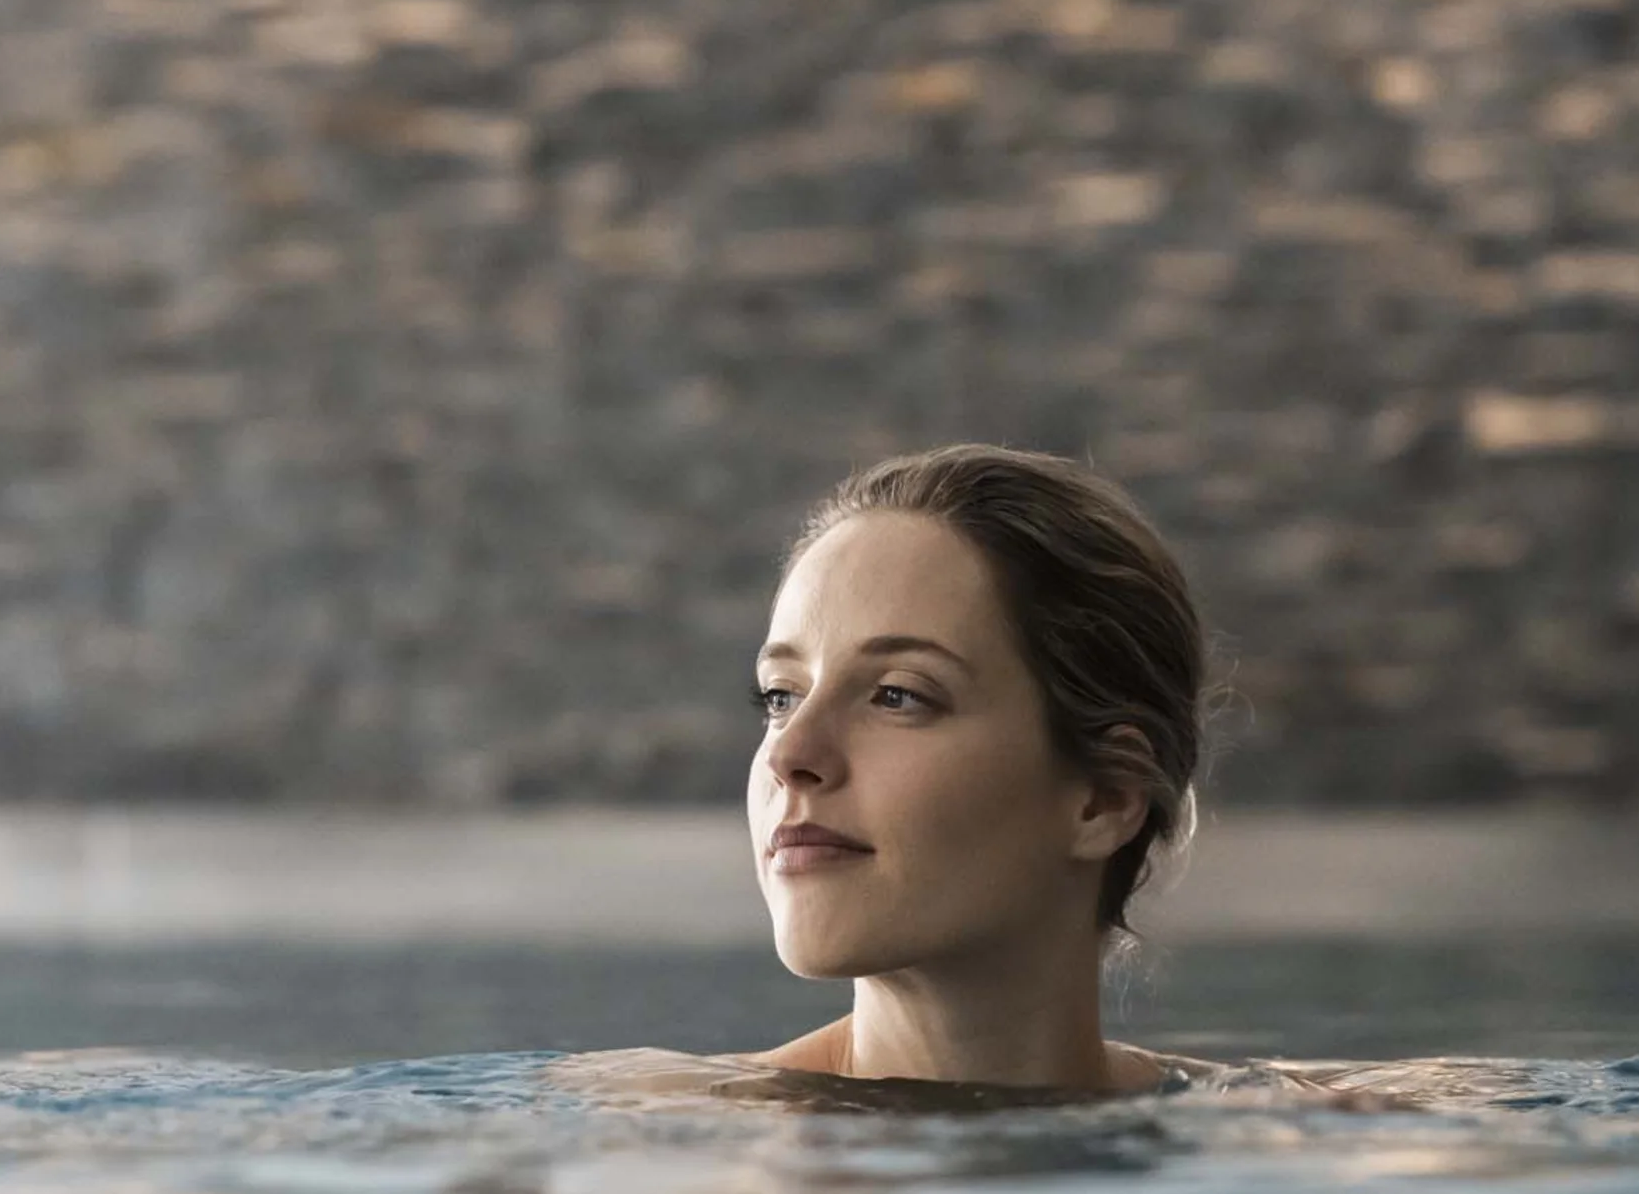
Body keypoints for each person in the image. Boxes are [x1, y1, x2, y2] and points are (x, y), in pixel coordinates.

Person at [551, 442, 1346, 1107]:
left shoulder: (1310, 1123)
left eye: (897, 695)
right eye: (780, 696)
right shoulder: (642, 1128)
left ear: (1104, 799)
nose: (791, 753)